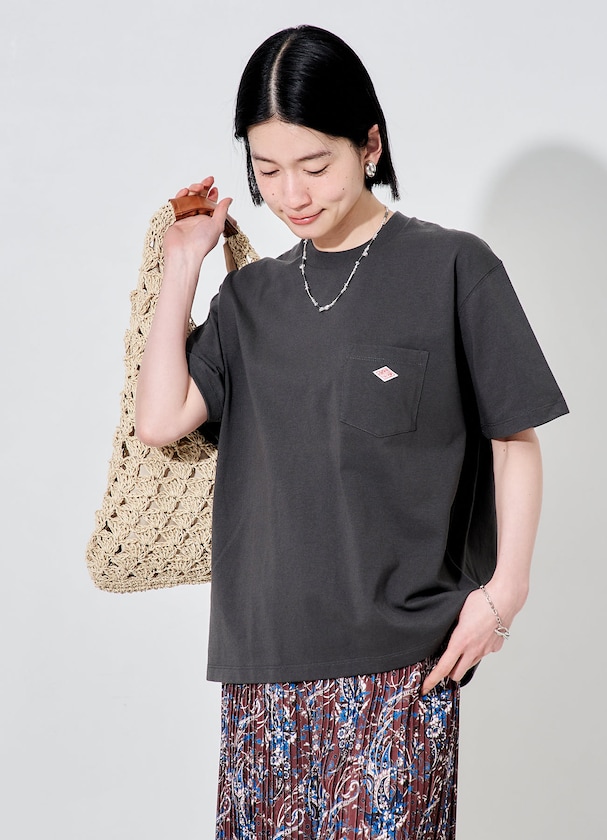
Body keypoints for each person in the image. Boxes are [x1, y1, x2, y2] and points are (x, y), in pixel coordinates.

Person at [135, 24, 568, 840]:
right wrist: (184, 263)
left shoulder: (453, 268)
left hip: (402, 663)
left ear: (369, 144)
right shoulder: (249, 299)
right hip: (263, 668)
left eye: (315, 164)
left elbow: (515, 438)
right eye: (267, 170)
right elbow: (160, 420)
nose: (291, 194)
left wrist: (505, 594)